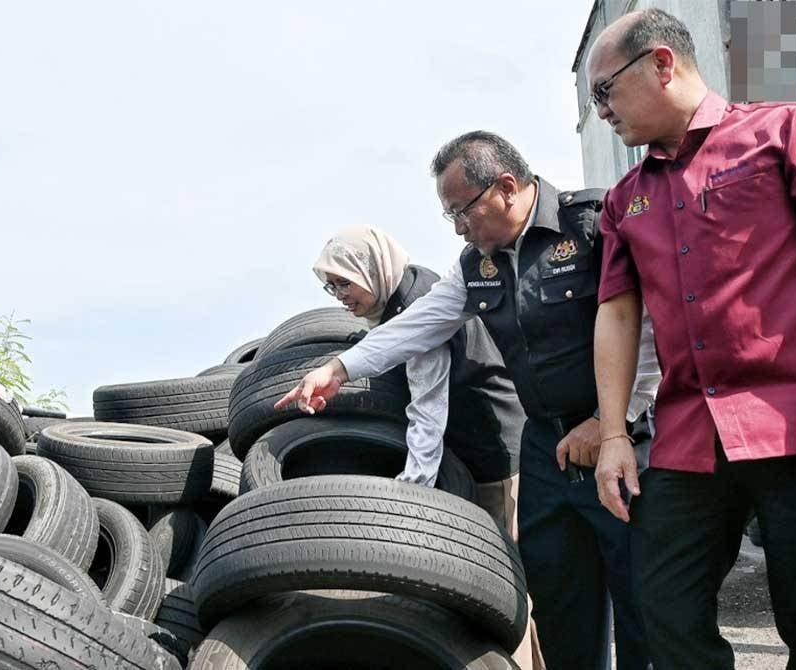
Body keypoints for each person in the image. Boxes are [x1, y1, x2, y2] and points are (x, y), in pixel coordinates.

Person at [276, 130, 658, 670]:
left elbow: (648, 324)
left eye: (462, 211)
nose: (458, 226)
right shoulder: (476, 263)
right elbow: (420, 323)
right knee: (559, 602)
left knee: (644, 603)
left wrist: (610, 419)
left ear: (505, 187)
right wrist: (339, 368)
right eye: (449, 216)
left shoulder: (592, 223)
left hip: (620, 440)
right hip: (546, 448)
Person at [587, 9, 796, 670]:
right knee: (662, 606)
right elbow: (617, 315)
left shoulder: (783, 133)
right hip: (690, 438)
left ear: (662, 64)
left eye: (604, 91)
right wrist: (614, 436)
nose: (601, 112)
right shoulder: (625, 199)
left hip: (795, 418)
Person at [312, 224, 540, 670]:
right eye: (329, 285)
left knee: (500, 585)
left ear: (371, 268)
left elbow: (427, 409)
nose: (337, 294)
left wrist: (410, 494)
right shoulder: (400, 294)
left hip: (497, 457)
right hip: (468, 453)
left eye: (344, 282)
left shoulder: (417, 307)